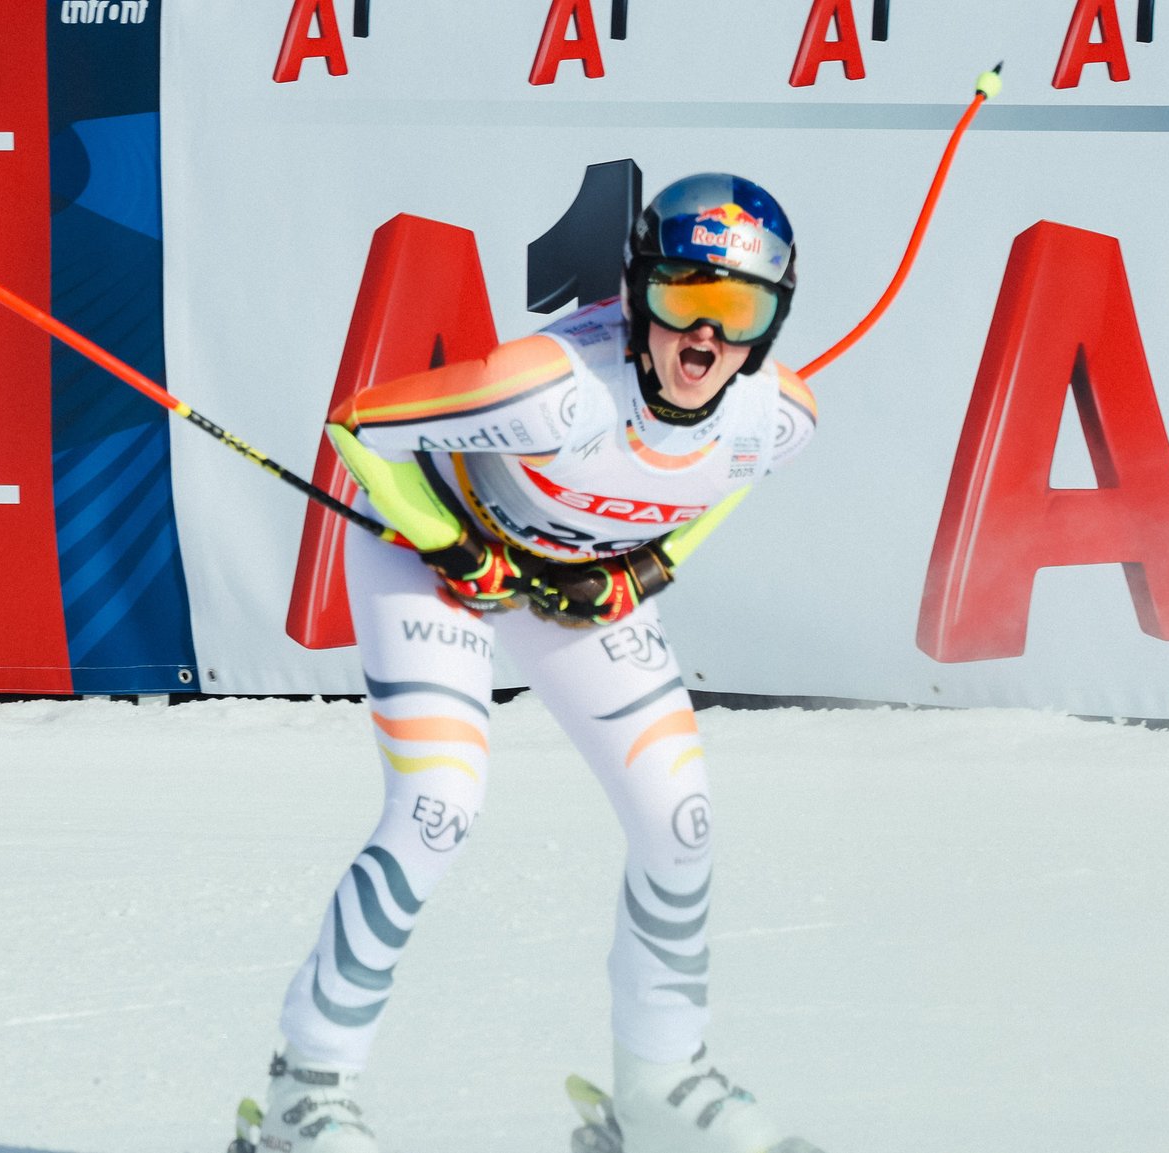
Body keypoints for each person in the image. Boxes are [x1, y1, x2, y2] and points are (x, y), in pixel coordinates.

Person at [236, 174, 824, 1153]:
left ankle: (659, 1085)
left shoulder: (773, 414)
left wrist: (647, 565)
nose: (704, 341)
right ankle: (304, 1096)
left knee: (678, 820)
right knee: (437, 808)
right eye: (683, 299)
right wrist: (450, 541)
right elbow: (358, 422)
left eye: (738, 312)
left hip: (567, 579)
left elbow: (734, 473)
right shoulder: (556, 389)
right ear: (638, 293)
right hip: (429, 554)